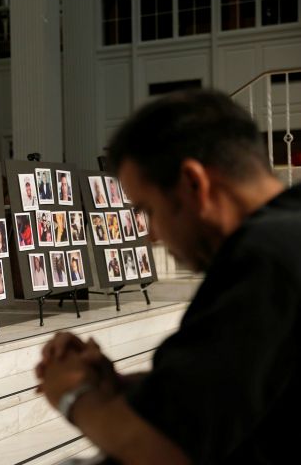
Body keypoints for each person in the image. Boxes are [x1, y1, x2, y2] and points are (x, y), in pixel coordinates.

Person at [35, 89, 301, 464]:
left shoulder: (264, 258)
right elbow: (238, 389)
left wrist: (72, 393)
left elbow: (159, 449)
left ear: (193, 184)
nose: (151, 234)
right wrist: (127, 389)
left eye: (147, 209)